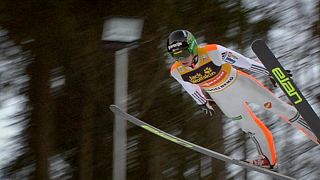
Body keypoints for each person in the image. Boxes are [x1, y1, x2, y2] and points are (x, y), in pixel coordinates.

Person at [167, 29, 319, 169]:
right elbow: (190, 87)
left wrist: (270, 72)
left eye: (184, 53)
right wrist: (201, 102)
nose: (181, 59)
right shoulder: (176, 70)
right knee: (249, 127)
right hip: (222, 98)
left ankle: (315, 131)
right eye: (175, 56)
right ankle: (267, 159)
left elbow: (245, 62)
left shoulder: (214, 52)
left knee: (280, 108)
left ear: (192, 47)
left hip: (240, 84)